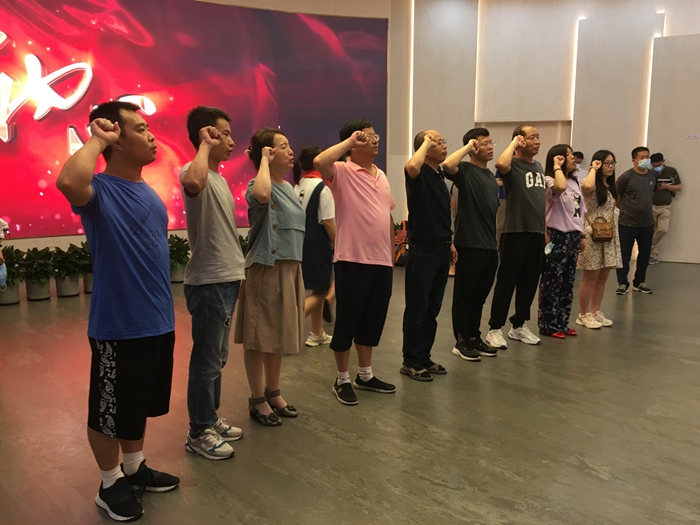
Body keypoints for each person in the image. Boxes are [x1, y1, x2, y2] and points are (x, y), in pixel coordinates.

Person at [56, 101, 179, 522]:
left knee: (135, 404)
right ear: (118, 139)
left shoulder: (148, 191)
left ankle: (134, 467)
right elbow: (68, 181)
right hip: (119, 326)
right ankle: (110, 484)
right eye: (141, 129)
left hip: (157, 321)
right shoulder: (100, 190)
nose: (151, 136)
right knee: (108, 412)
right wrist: (98, 139)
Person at [314, 119, 396, 406]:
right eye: (367, 137)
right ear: (353, 142)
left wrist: (391, 255)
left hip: (382, 261)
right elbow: (320, 160)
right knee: (348, 320)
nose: (375, 140)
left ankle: (365, 374)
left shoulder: (381, 174)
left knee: (372, 320)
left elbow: (387, 216)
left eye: (375, 136)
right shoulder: (342, 171)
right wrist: (350, 142)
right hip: (352, 258)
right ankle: (342, 379)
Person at [180, 106, 245, 461]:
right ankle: (198, 431)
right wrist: (203, 145)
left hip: (227, 278)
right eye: (224, 134)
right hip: (209, 281)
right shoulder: (193, 171)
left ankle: (210, 418)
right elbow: (192, 183)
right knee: (206, 361)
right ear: (206, 134)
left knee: (217, 358)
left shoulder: (218, 179)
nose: (232, 141)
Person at [234, 128, 305, 425]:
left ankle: (273, 392)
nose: (290, 151)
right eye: (283, 146)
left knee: (276, 336)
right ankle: (257, 398)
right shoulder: (258, 184)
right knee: (257, 337)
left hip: (289, 268)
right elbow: (262, 196)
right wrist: (262, 160)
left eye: (289, 145)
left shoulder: (288, 187)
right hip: (267, 266)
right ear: (269, 152)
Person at [400, 130, 455, 381]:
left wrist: (449, 242)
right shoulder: (418, 172)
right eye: (437, 142)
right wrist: (424, 143)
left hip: (441, 248)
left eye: (443, 141)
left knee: (432, 309)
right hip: (423, 250)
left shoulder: (438, 174)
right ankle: (410, 361)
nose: (443, 145)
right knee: (417, 309)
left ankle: (424, 356)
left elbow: (440, 214)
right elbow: (411, 165)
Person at [442, 128, 500, 360]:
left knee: (479, 297)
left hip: (489, 246)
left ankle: (474, 336)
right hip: (469, 243)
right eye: (485, 144)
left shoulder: (489, 176)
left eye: (491, 142)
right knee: (464, 296)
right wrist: (467, 148)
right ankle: (461, 341)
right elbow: (447, 164)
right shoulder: (465, 170)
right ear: (474, 148)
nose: (490, 147)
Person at [486, 125, 546, 348]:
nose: (537, 141)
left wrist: (545, 233)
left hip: (536, 232)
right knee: (507, 281)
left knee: (529, 281)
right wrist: (513, 144)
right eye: (532, 137)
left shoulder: (538, 166)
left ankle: (519, 325)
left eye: (538, 137)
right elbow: (500, 164)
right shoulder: (512, 164)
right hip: (515, 230)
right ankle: (494, 328)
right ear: (520, 140)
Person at [537, 144, 586, 338]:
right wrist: (557, 167)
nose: (573, 157)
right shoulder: (550, 180)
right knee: (552, 281)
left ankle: (562, 322)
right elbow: (560, 187)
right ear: (557, 158)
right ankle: (548, 324)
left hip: (573, 235)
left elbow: (580, 212)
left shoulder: (575, 182)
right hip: (556, 235)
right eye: (568, 155)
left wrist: (582, 235)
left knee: (567, 281)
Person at [293, 145, 336, 346]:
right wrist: (340, 244)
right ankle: (286, 326)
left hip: (298, 244)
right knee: (321, 291)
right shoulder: (323, 188)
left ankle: (317, 333)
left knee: (317, 288)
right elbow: (327, 222)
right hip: (317, 246)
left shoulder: (296, 186)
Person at [576, 150, 621, 328]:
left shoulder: (610, 186)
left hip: (608, 234)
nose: (610, 166)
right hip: (592, 234)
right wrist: (593, 169)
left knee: (603, 277)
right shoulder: (590, 183)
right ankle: (583, 314)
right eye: (606, 163)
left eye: (613, 163)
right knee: (590, 278)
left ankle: (595, 311)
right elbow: (587, 187)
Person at [615, 147, 656, 295]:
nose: (646, 159)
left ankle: (639, 282)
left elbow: (652, 193)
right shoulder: (626, 177)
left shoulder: (652, 175)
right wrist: (622, 211)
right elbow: (617, 195)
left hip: (647, 222)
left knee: (644, 254)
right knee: (624, 255)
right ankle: (622, 283)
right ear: (634, 160)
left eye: (647, 156)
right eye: (642, 157)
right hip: (627, 223)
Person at [649, 152, 682, 264]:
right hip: (651, 205)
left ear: (663, 161)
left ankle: (647, 247)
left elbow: (679, 187)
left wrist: (666, 186)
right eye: (654, 166)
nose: (656, 167)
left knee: (663, 230)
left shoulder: (671, 171)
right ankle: (652, 255)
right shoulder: (649, 173)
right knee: (650, 231)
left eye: (658, 165)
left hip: (665, 206)